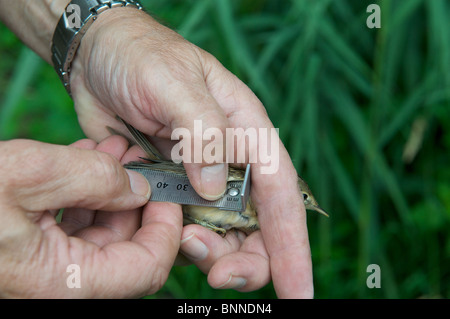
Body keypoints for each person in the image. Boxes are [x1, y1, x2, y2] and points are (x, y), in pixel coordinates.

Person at [0, 0, 313, 298]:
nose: (304, 205)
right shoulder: (242, 186)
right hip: (168, 176)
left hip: (171, 199)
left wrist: (95, 36)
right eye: (302, 198)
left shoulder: (252, 212)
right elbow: (183, 179)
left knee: (189, 237)